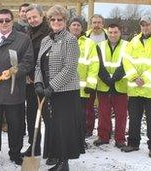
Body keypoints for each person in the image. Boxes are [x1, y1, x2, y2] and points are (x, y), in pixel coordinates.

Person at [34, 5, 84, 170]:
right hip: (49, 91)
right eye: (53, 19)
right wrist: (39, 83)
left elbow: (70, 68)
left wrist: (52, 87)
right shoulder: (46, 40)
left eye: (59, 19)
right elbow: (38, 65)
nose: (56, 22)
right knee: (53, 125)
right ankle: (56, 156)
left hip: (65, 92)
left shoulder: (70, 40)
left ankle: (64, 162)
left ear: (65, 21)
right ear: (49, 21)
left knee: (64, 127)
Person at [0, 8, 34, 166]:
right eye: (0, 20)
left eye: (7, 20)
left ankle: (15, 153)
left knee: (15, 125)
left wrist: (14, 71)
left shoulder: (23, 39)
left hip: (13, 91)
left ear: (13, 21)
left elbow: (28, 61)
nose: (4, 23)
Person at [121, 15, 151, 158]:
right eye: (143, 25)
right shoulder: (134, 40)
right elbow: (126, 60)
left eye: (147, 24)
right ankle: (133, 143)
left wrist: (145, 78)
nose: (145, 27)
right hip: (135, 88)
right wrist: (134, 76)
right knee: (134, 118)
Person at [23, 3, 52, 162]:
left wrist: (39, 77)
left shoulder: (49, 32)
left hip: (46, 82)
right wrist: (26, 73)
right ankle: (34, 145)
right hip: (30, 81)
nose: (32, 20)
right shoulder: (27, 32)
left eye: (35, 17)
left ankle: (51, 148)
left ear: (42, 16)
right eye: (29, 18)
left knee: (48, 117)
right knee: (32, 114)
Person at [93, 23, 128, 148]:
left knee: (121, 114)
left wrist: (115, 78)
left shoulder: (127, 46)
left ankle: (120, 139)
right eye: (110, 32)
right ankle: (103, 136)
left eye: (115, 32)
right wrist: (107, 78)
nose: (113, 35)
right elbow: (98, 64)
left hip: (120, 84)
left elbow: (127, 64)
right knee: (103, 113)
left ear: (120, 33)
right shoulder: (100, 46)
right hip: (104, 84)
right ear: (107, 33)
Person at [68, 17, 99, 149]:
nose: (76, 27)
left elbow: (94, 64)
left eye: (78, 25)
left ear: (82, 28)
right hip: (65, 88)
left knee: (80, 116)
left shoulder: (89, 43)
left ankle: (80, 141)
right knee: (67, 116)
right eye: (73, 25)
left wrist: (91, 85)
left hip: (82, 89)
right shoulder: (63, 41)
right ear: (69, 27)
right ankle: (67, 139)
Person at [85, 14, 108, 137]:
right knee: (89, 105)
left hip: (105, 77)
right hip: (90, 76)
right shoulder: (86, 36)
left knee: (104, 107)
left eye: (99, 22)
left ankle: (104, 131)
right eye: (94, 22)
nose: (96, 25)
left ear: (102, 24)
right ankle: (88, 129)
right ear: (91, 24)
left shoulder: (108, 36)